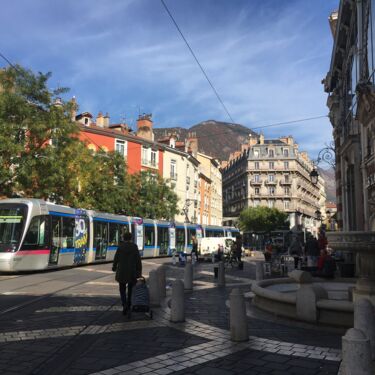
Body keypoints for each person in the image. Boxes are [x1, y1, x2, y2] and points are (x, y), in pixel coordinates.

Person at [112, 232, 142, 315]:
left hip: (121, 271)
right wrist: (139, 270)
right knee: (130, 289)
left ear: (123, 238)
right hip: (132, 272)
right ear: (131, 238)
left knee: (122, 288)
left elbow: (116, 258)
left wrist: (114, 267)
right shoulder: (134, 247)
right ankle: (129, 303)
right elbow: (138, 260)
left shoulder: (120, 247)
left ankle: (124, 304)